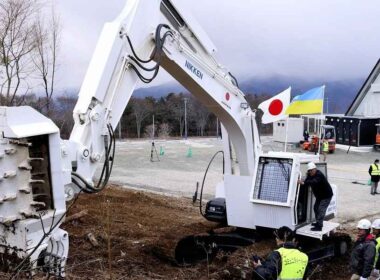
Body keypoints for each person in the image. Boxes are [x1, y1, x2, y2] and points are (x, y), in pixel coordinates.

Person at [298, 162, 333, 231]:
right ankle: (318, 222)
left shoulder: (319, 175)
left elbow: (314, 181)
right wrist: (303, 182)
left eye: (312, 170)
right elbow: (308, 181)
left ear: (315, 169)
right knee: (316, 208)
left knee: (321, 210)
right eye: (309, 171)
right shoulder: (309, 174)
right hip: (320, 196)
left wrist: (304, 182)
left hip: (326, 196)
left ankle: (319, 226)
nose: (310, 172)